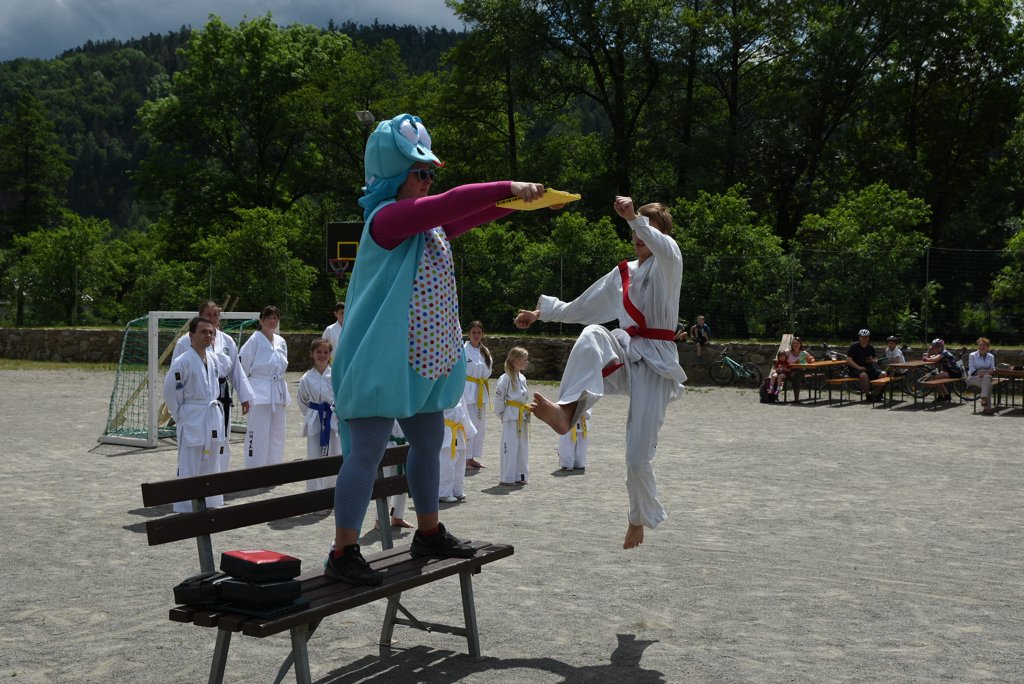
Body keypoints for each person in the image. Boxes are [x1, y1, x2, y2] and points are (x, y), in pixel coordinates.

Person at [325, 112, 552, 586]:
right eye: (420, 173)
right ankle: (343, 550)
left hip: (420, 363)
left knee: (428, 442)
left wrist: (517, 203)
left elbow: (464, 215)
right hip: (381, 362)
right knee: (367, 450)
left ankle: (428, 531)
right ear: (393, 174)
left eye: (431, 174)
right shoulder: (385, 220)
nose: (428, 182)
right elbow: (450, 204)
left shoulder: (427, 228)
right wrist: (508, 187)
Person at [516, 196, 686, 550]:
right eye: (637, 229)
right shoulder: (623, 274)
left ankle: (637, 518)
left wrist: (634, 218)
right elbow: (583, 306)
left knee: (637, 456)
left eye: (648, 227)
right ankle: (566, 411)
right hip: (626, 351)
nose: (640, 234)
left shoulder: (670, 260)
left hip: (657, 363)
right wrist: (541, 314)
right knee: (593, 333)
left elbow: (659, 243)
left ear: (661, 233)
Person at [172, 301, 253, 472]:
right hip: (194, 398)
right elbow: (174, 379)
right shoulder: (184, 342)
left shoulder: (227, 340)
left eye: (216, 314)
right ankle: (188, 476)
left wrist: (245, 397)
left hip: (220, 394)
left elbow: (236, 371)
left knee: (221, 439)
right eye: (208, 314)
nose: (213, 318)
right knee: (194, 441)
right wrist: (178, 410)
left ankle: (219, 476)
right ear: (200, 316)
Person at [163, 317, 229, 512]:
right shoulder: (182, 361)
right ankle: (186, 507)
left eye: (211, 332)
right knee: (190, 463)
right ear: (191, 335)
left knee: (212, 460)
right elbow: (170, 392)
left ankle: (212, 502)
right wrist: (181, 414)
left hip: (211, 414)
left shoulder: (214, 359)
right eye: (203, 332)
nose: (208, 335)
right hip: (192, 415)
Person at [239, 305, 291, 468]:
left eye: (275, 318)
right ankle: (255, 471)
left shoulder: (281, 341)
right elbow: (242, 368)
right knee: (258, 434)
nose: (272, 321)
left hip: (277, 392)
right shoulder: (254, 340)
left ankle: (273, 470)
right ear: (261, 321)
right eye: (269, 317)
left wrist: (283, 394)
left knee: (277, 435)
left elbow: (281, 367)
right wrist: (245, 394)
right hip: (258, 393)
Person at [296, 338, 340, 513]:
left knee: (334, 455)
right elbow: (302, 401)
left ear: (330, 355)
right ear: (312, 354)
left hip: (333, 421)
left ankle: (332, 497)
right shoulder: (306, 378)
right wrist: (313, 415)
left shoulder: (335, 375)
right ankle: (315, 500)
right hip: (315, 420)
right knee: (315, 457)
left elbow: (341, 397)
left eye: (326, 352)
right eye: (319, 352)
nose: (322, 355)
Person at [494, 346, 531, 487]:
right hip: (510, 416)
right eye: (524, 360)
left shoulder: (522, 378)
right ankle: (507, 477)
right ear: (516, 361)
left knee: (522, 446)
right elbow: (498, 399)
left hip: (522, 415)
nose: (527, 362)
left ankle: (521, 475)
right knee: (509, 446)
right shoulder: (505, 378)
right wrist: (502, 414)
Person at [462, 320, 492, 470]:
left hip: (480, 390)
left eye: (479, 332)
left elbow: (488, 371)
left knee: (480, 425)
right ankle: (464, 458)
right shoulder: (463, 350)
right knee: (469, 424)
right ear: (468, 334)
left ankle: (472, 456)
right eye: (473, 332)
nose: (476, 335)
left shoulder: (484, 351)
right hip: (467, 390)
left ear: (482, 334)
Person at [439, 397, 475, 502]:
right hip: (445, 430)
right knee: (447, 463)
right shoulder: (439, 390)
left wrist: (468, 431)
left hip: (458, 429)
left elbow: (464, 412)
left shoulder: (459, 392)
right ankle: (444, 493)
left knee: (460, 461)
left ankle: (457, 490)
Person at [846, 328, 886, 399]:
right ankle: (867, 395)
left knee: (883, 374)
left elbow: (875, 359)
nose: (864, 338)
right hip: (856, 369)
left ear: (868, 338)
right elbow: (849, 359)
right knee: (863, 375)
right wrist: (859, 367)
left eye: (866, 337)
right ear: (859, 337)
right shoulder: (854, 346)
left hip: (869, 368)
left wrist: (872, 360)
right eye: (862, 337)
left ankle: (876, 393)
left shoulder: (870, 347)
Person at [922, 338, 962, 403]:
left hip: (955, 372)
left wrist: (926, 359)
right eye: (934, 347)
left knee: (935, 378)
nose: (936, 349)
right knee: (937, 378)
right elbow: (930, 360)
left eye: (937, 347)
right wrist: (929, 350)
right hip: (949, 372)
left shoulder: (944, 352)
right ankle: (946, 396)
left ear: (941, 347)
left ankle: (942, 397)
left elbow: (935, 359)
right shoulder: (939, 353)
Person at [967, 337, 997, 415]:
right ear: (978, 346)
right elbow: (972, 370)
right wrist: (984, 372)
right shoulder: (972, 355)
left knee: (987, 378)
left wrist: (984, 373)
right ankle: (987, 408)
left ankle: (984, 399)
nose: (982, 347)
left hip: (985, 378)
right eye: (980, 345)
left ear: (987, 347)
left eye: (984, 345)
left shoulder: (991, 357)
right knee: (988, 382)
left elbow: (993, 369)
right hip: (974, 378)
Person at [785, 336, 815, 401]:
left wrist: (810, 360)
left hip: (800, 371)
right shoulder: (788, 352)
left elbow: (812, 359)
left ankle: (796, 399)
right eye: (794, 343)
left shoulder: (803, 353)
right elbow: (780, 358)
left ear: (800, 344)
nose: (795, 345)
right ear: (792, 344)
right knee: (796, 375)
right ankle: (796, 399)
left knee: (797, 374)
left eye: (797, 343)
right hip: (789, 371)